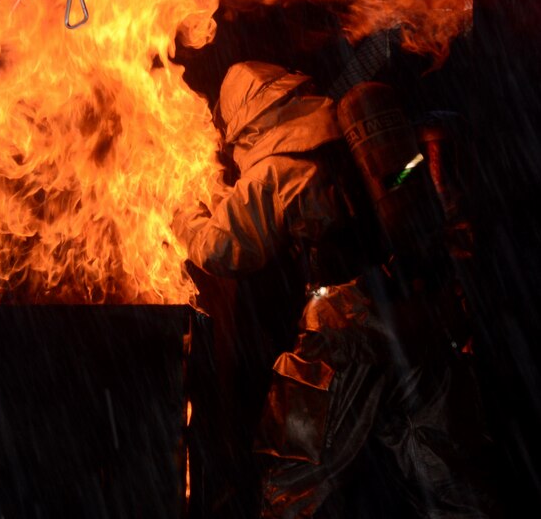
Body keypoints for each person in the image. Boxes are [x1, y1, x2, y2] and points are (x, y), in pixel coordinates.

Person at [172, 61, 502, 518]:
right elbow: (410, 186)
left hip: (346, 330)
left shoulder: (276, 168)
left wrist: (185, 215)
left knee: (293, 472)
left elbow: (221, 250)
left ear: (248, 122)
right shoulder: (349, 136)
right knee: (446, 474)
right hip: (419, 314)